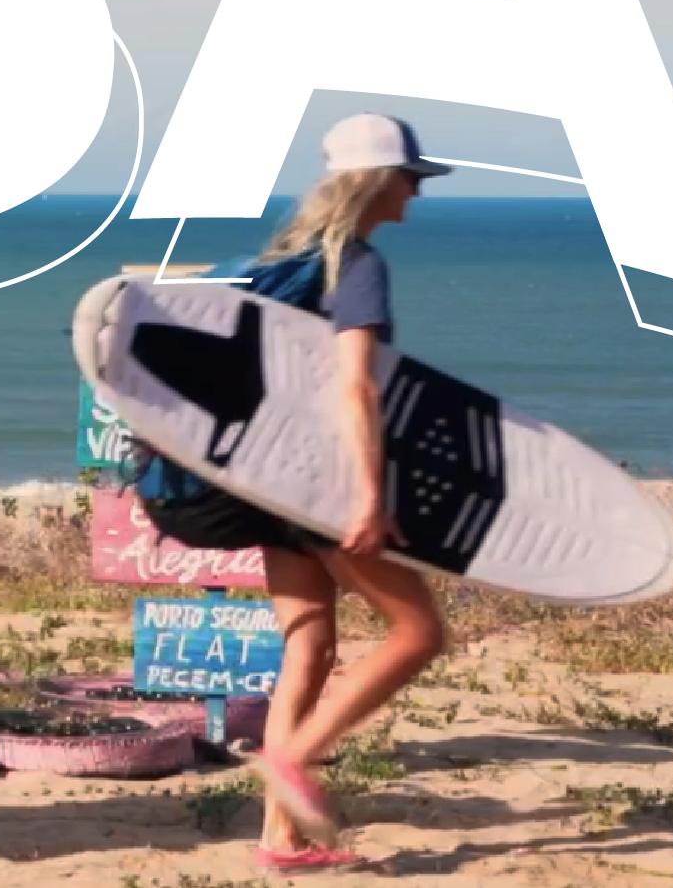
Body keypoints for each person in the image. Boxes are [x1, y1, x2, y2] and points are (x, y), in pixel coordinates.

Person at [232, 114, 456, 871]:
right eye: (411, 179)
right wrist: (366, 496)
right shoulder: (352, 263)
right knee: (417, 630)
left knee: (309, 643)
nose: (414, 195)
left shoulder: (277, 261)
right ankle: (295, 758)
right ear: (380, 180)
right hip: (321, 482)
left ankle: (278, 838)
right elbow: (353, 385)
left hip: (263, 477)